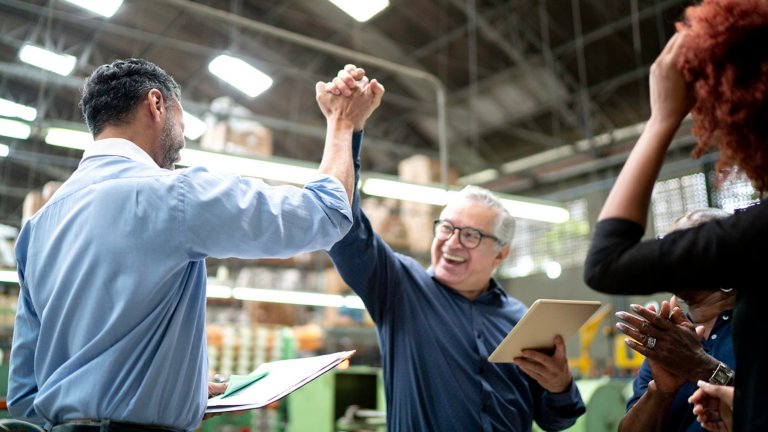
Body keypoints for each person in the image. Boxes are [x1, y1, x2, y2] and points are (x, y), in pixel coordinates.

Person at [9, 59, 383, 432]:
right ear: (156, 105)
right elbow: (327, 213)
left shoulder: (38, 227)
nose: (182, 143)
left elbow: (25, 392)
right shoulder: (175, 196)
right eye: (182, 120)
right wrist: (343, 123)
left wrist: (173, 392)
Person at [325, 66, 585, 432]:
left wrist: (560, 387)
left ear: (502, 254)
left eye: (471, 235)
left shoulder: (521, 322)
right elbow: (343, 227)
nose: (451, 242)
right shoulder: (400, 289)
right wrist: (345, 128)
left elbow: (558, 420)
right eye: (446, 228)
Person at [583, 0, 768, 430]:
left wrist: (662, 118)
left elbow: (607, 262)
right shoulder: (673, 336)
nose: (673, 247)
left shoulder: (755, 240)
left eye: (687, 244)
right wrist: (662, 387)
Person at [616, 209, 737, 432]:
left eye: (684, 243)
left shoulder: (758, 322)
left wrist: (704, 368)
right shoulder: (670, 339)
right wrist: (660, 391)